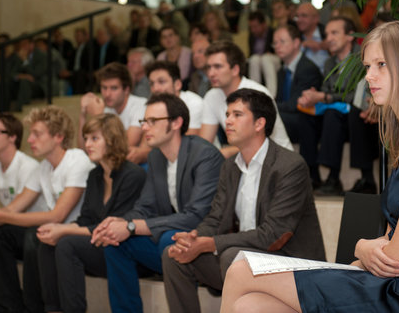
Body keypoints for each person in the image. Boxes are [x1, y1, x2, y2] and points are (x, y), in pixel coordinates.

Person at [220, 20, 399, 313]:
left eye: (381, 64)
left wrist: (361, 248)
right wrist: (363, 254)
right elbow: (392, 238)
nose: (369, 76)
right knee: (251, 305)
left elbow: (396, 259)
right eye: (368, 66)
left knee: (242, 271)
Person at [162, 89, 325, 313]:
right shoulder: (230, 166)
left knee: (234, 256)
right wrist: (194, 238)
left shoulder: (289, 166)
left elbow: (273, 235)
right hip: (243, 259)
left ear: (259, 124)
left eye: (237, 115)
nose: (227, 120)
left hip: (290, 265)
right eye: (227, 114)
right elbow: (216, 217)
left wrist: (210, 243)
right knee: (174, 256)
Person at [90, 93, 224, 313]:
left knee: (165, 240)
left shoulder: (205, 155)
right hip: (171, 239)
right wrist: (119, 222)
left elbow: (196, 216)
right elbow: (145, 207)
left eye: (153, 121)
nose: (145, 128)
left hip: (205, 245)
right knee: (116, 243)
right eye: (144, 121)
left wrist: (132, 227)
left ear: (176, 123)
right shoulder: (156, 156)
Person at [0, 106, 95, 313]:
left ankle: (34, 308)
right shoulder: (43, 168)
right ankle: (7, 308)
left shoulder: (77, 160)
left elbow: (57, 215)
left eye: (37, 134)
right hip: (53, 232)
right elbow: (14, 209)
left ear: (58, 136)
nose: (29, 140)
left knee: (34, 235)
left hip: (79, 233)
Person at [37, 114, 146, 313]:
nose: (87, 144)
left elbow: (112, 228)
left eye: (94, 138)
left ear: (112, 140)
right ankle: (53, 309)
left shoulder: (133, 175)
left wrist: (62, 230)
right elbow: (85, 220)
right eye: (86, 138)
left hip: (125, 250)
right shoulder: (94, 175)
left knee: (66, 244)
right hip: (100, 245)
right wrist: (56, 230)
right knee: (47, 243)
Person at [0, 113, 45, 312]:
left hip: (30, 236)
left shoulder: (28, 167)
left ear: (13, 136)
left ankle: (7, 307)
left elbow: (12, 214)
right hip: (5, 231)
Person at [298, 16, 378, 194]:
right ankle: (323, 177)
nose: (329, 38)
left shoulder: (362, 58)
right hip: (337, 114)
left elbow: (358, 95)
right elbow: (325, 90)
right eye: (327, 34)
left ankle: (364, 178)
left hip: (360, 112)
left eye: (334, 33)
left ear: (350, 36)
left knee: (347, 112)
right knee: (320, 114)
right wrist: (312, 96)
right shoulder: (329, 62)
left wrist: (325, 97)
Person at [199, 40, 292, 158]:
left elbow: (261, 142)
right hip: (244, 158)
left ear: (235, 70)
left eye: (218, 67)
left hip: (277, 158)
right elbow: (205, 141)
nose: (211, 73)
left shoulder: (257, 93)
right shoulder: (211, 96)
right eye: (208, 67)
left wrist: (224, 152)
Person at [274, 25, 323, 187]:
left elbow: (296, 104)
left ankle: (308, 173)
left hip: (313, 120)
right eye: (275, 43)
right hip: (292, 118)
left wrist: (271, 106)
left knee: (272, 118)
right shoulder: (282, 71)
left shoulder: (307, 68)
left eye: (282, 41)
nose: (277, 46)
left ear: (296, 43)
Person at [79, 62, 149, 164]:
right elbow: (84, 150)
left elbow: (125, 146)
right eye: (104, 88)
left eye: (114, 88)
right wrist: (83, 114)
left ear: (126, 90)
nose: (107, 94)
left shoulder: (140, 105)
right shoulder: (106, 109)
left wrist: (99, 117)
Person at [146, 61, 203, 135]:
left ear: (177, 84)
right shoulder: (152, 106)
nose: (155, 88)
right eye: (151, 84)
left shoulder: (194, 103)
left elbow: (191, 140)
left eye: (161, 82)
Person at [247, 10, 281, 97]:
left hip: (273, 59)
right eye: (251, 27)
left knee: (266, 58)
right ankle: (254, 93)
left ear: (264, 24)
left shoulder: (273, 33)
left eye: (255, 26)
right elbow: (251, 54)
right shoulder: (252, 36)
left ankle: (271, 96)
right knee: (254, 59)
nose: (253, 30)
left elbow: (277, 49)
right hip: (258, 61)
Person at [295, 3, 329, 74]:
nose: (299, 20)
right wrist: (302, 45)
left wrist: (325, 46)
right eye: (297, 16)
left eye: (304, 16)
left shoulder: (327, 33)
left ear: (316, 18)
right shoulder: (294, 35)